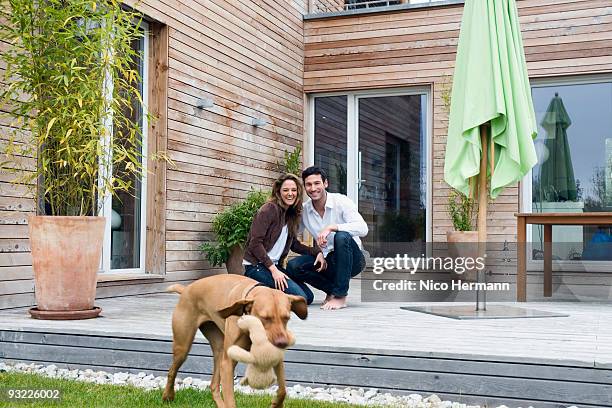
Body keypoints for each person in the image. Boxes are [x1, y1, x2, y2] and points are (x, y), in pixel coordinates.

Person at [286, 166, 368, 310]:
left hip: (353, 260)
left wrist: (332, 227)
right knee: (294, 266)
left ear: (325, 183)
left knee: (342, 237)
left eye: (317, 183)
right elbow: (291, 237)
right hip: (328, 261)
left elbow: (363, 228)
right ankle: (332, 290)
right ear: (304, 187)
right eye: (309, 184)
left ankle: (340, 296)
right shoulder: (305, 211)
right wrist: (316, 252)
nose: (313, 188)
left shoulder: (341, 201)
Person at [243, 173, 321, 301]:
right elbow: (255, 243)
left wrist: (316, 252)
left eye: (293, 190)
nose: (290, 193)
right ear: (278, 192)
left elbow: (294, 244)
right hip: (256, 267)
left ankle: (266, 289)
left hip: (274, 266)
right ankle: (260, 291)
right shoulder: (269, 210)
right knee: (300, 298)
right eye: (285, 190)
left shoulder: (290, 214)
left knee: (309, 297)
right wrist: (274, 271)